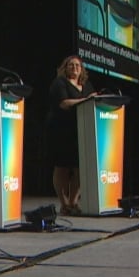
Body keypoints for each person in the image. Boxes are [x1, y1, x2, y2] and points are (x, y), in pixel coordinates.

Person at [43, 55, 96, 216]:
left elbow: (93, 98)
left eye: (77, 65)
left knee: (80, 167)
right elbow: (64, 103)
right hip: (61, 130)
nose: (74, 68)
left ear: (82, 69)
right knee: (63, 167)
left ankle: (73, 202)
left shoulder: (85, 84)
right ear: (65, 68)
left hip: (81, 130)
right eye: (71, 65)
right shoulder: (59, 83)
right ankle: (64, 203)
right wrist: (86, 100)